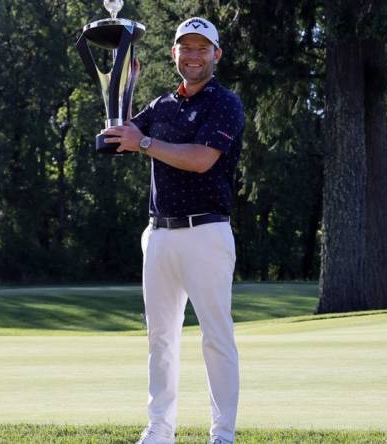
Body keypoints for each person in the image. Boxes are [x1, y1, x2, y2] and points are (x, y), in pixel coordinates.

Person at [101, 16, 244, 444]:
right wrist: (121, 89)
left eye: (203, 48)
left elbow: (201, 158)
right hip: (159, 235)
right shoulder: (163, 104)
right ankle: (160, 430)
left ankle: (222, 435)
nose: (194, 54)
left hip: (207, 233)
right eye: (187, 47)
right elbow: (113, 139)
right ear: (174, 54)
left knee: (216, 339)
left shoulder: (224, 102)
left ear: (216, 54)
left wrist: (144, 143)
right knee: (159, 340)